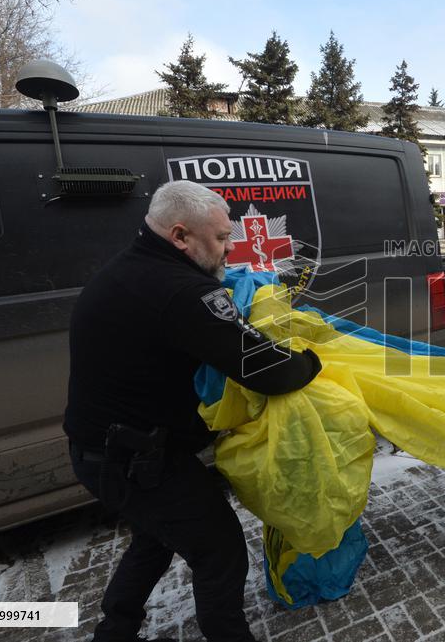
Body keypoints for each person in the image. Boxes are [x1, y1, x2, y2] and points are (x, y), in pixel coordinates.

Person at [64, 180, 321, 642]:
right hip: (135, 459)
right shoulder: (180, 290)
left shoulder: (129, 269)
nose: (229, 249)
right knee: (219, 551)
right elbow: (265, 370)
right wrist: (310, 360)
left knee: (157, 534)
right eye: (221, 238)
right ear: (180, 236)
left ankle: (115, 628)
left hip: (106, 451)